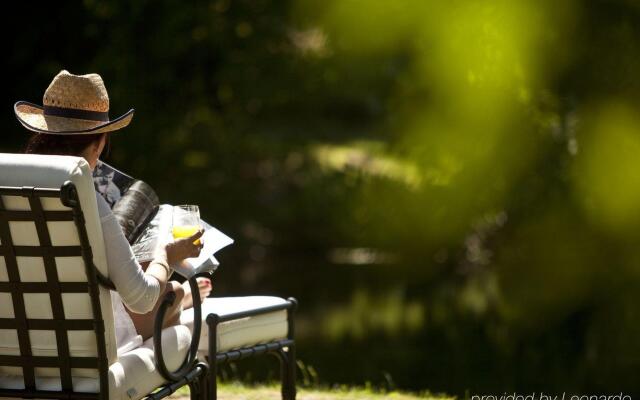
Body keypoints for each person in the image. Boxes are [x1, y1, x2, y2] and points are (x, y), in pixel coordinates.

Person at [14, 70, 211, 353]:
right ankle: (182, 297)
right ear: (98, 143)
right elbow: (141, 299)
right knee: (173, 293)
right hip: (84, 344)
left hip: (19, 340)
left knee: (162, 290)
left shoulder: (10, 191)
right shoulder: (85, 199)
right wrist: (167, 255)